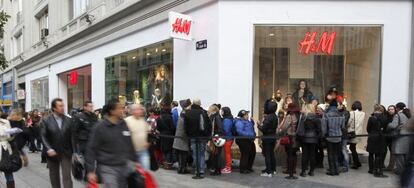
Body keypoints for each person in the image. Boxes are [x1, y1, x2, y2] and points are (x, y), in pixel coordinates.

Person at [85, 99, 137, 187]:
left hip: (123, 166)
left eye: (122, 108)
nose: (123, 110)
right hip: (107, 168)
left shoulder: (123, 124)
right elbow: (91, 149)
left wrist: (135, 161)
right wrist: (90, 171)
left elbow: (129, 143)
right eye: (120, 108)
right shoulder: (100, 127)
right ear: (112, 111)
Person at [40, 98, 74, 188]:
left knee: (67, 176)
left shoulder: (69, 120)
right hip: (52, 152)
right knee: (54, 176)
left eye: (63, 105)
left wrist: (75, 152)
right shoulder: (46, 120)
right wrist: (49, 148)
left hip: (66, 152)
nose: (63, 108)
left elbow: (73, 137)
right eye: (60, 106)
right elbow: (43, 136)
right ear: (54, 108)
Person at [184, 99, 211, 177]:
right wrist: (208, 136)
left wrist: (188, 134)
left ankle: (197, 170)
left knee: (195, 154)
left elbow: (185, 126)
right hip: (202, 136)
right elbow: (209, 125)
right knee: (202, 154)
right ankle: (201, 169)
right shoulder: (204, 112)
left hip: (192, 136)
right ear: (200, 104)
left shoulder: (188, 113)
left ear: (193, 103)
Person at [297, 104, 321, 177]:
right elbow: (319, 129)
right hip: (313, 138)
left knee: (305, 155)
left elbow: (300, 128)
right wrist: (317, 136)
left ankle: (303, 171)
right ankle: (312, 171)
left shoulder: (304, 117)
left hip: (305, 138)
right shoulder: (316, 117)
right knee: (312, 155)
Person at [125, 104, 151, 170]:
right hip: (130, 153)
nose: (141, 111)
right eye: (138, 109)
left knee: (145, 171)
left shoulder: (143, 121)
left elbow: (149, 132)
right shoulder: (126, 121)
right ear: (133, 111)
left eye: (141, 109)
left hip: (143, 151)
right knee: (131, 173)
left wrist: (149, 142)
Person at [388, 102, 411, 175]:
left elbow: (393, 125)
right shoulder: (409, 114)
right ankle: (405, 171)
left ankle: (400, 172)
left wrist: (388, 124)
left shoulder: (398, 115)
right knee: (405, 157)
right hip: (408, 138)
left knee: (399, 156)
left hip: (400, 138)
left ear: (397, 108)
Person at [323, 101, 345, 176]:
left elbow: (324, 127)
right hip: (338, 136)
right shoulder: (341, 114)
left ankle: (332, 170)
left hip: (329, 136)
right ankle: (337, 170)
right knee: (336, 154)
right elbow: (343, 127)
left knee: (330, 154)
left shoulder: (326, 115)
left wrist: (324, 134)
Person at [279, 103, 300, 179]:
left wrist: (280, 131)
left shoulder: (289, 116)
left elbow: (284, 127)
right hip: (296, 137)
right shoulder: (298, 116)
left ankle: (289, 170)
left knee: (289, 154)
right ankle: (293, 169)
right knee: (294, 154)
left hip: (290, 137)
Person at [366, 104, 388, 178]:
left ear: (374, 110)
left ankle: (371, 169)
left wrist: (372, 132)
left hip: (372, 137)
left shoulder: (371, 118)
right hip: (381, 138)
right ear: (382, 110)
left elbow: (368, 129)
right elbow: (386, 128)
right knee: (378, 154)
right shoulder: (385, 118)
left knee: (371, 154)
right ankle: (376, 169)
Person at [258, 99, 278, 177]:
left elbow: (263, 129)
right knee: (271, 154)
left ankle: (269, 172)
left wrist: (259, 125)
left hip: (267, 138)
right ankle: (272, 169)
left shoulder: (269, 117)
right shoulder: (274, 116)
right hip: (273, 137)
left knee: (268, 155)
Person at [173, 99, 192, 174]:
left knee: (181, 153)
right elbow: (186, 126)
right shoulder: (185, 113)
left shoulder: (183, 113)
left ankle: (181, 168)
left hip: (180, 135)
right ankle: (182, 168)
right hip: (183, 136)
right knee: (183, 153)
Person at [234, 110, 256, 174]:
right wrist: (250, 135)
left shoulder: (247, 121)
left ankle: (249, 167)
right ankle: (243, 169)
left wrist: (252, 122)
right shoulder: (239, 122)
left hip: (249, 140)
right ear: (242, 116)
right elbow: (240, 131)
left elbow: (250, 128)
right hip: (243, 140)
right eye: (246, 115)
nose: (248, 116)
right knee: (245, 154)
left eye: (247, 114)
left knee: (252, 153)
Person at [156, 102, 176, 169]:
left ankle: (164, 163)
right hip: (169, 135)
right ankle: (168, 163)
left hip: (162, 135)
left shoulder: (159, 117)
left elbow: (158, 128)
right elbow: (172, 127)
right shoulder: (169, 117)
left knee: (163, 149)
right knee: (169, 149)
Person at [347, 101, 365, 169]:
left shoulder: (351, 113)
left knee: (352, 148)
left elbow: (348, 123)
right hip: (358, 133)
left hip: (351, 133)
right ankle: (357, 162)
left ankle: (356, 163)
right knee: (353, 147)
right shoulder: (363, 113)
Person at [208, 104, 223, 176]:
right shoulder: (214, 116)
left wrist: (216, 136)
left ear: (213, 109)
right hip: (214, 137)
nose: (209, 109)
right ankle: (216, 169)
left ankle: (217, 170)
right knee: (214, 154)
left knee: (216, 154)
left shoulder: (216, 117)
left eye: (210, 108)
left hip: (216, 138)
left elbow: (220, 128)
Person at [220, 106, 234, 174]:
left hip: (227, 138)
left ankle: (228, 167)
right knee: (227, 153)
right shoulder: (229, 119)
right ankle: (228, 166)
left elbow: (226, 130)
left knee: (227, 153)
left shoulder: (226, 120)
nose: (221, 112)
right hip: (229, 138)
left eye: (222, 111)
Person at [384, 105, 397, 171]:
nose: (390, 110)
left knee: (392, 152)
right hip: (386, 136)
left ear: (395, 110)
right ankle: (383, 165)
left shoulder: (396, 117)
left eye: (392, 109)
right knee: (384, 151)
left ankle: (391, 166)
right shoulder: (386, 116)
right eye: (389, 109)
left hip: (393, 137)